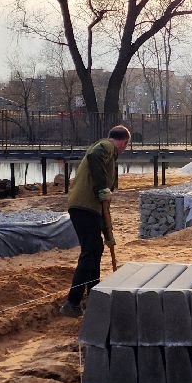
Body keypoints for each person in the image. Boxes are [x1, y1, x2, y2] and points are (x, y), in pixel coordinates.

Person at [60, 124, 130, 317]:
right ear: (124, 143)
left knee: (96, 248)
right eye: (125, 145)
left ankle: (93, 294)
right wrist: (101, 187)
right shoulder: (106, 146)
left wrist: (108, 235)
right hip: (84, 206)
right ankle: (72, 303)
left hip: (89, 208)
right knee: (90, 250)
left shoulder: (109, 157)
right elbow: (93, 156)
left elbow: (104, 206)